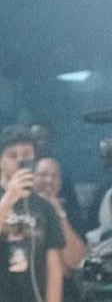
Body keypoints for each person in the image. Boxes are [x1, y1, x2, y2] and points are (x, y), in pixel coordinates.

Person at [0, 127, 64, 302]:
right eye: (12, 156)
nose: (20, 161)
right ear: (1, 161)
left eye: (26, 155)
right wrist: (9, 198)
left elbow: (54, 267)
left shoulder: (44, 207)